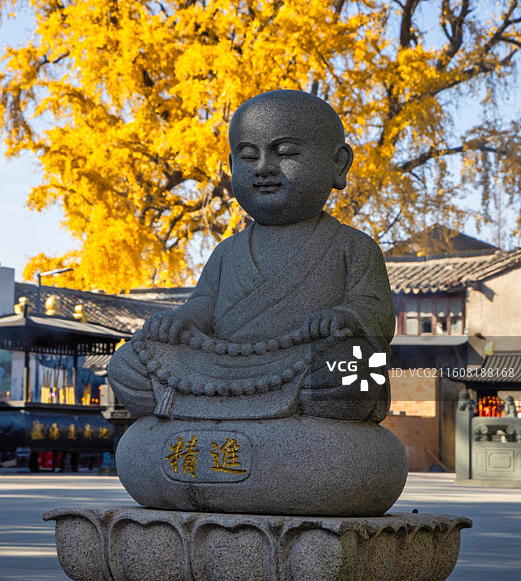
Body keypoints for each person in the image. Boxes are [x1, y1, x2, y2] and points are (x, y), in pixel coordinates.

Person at [108, 90, 395, 423]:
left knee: (353, 365)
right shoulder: (227, 251)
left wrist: (346, 316)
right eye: (247, 156)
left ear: (338, 163)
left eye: (284, 152)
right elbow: (204, 305)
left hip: (305, 361)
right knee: (129, 362)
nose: (264, 168)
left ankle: (212, 412)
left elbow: (377, 310)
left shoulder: (352, 246)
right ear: (231, 166)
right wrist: (183, 320)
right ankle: (220, 411)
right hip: (223, 365)